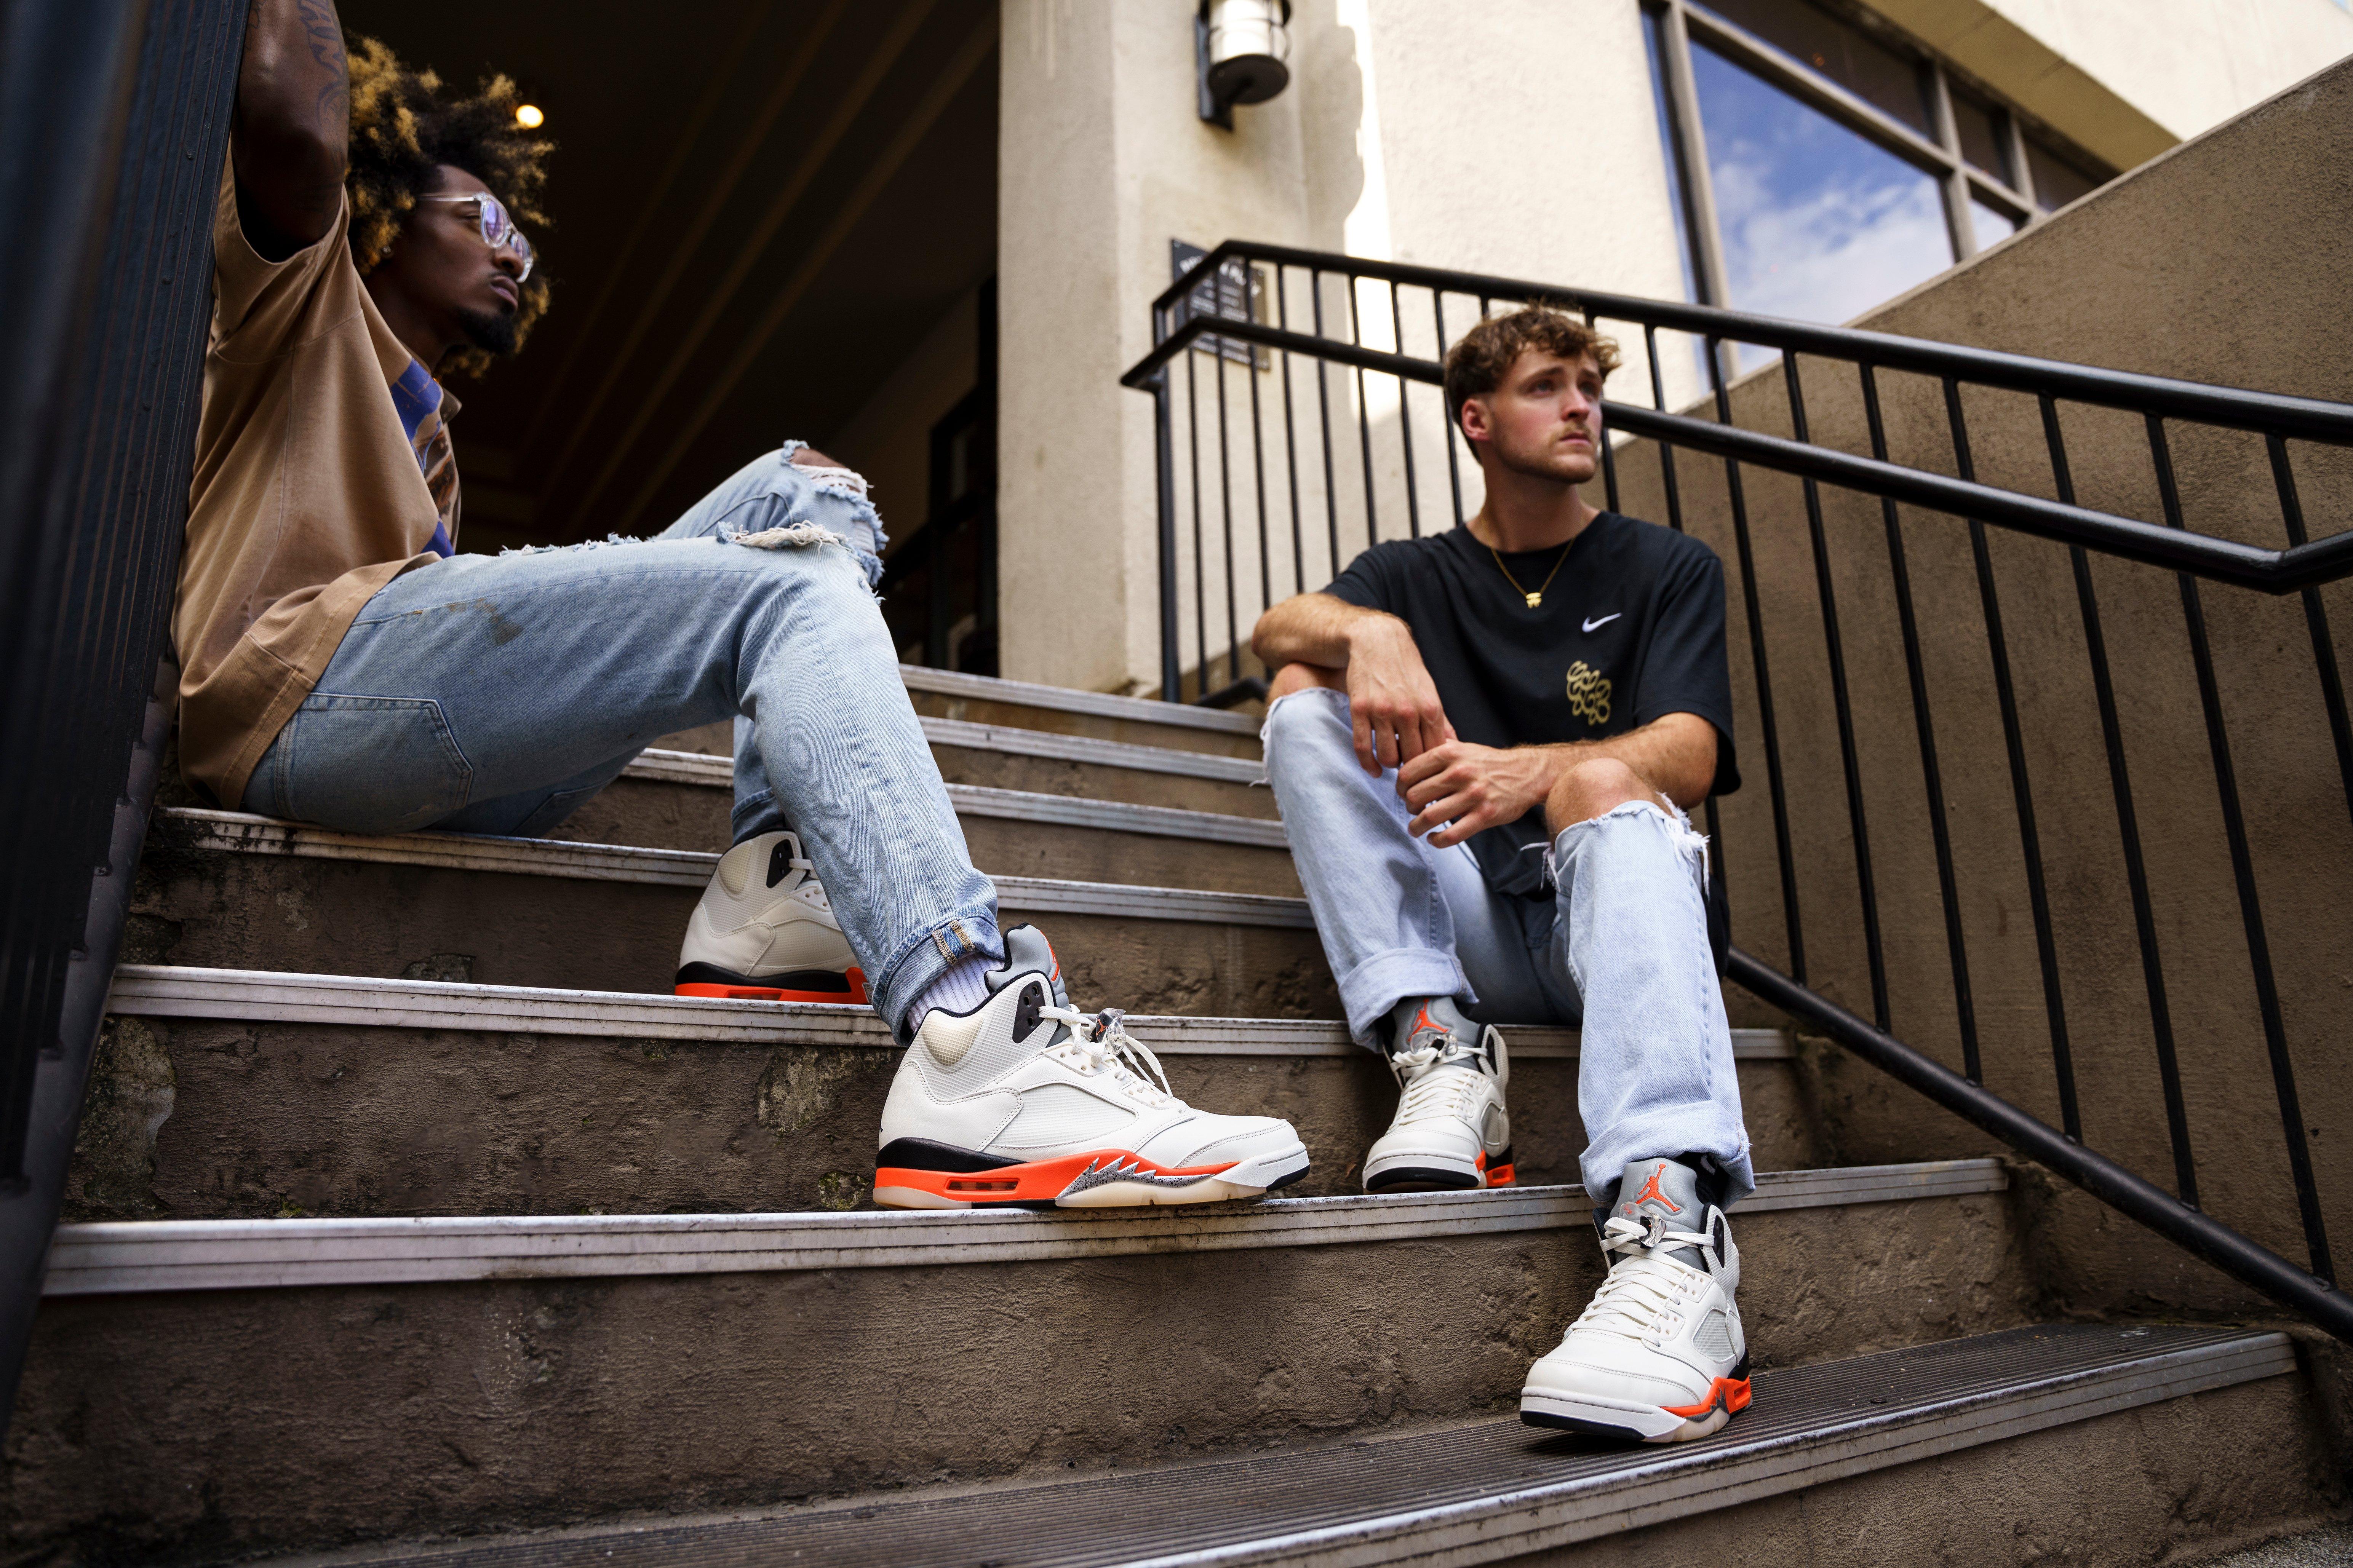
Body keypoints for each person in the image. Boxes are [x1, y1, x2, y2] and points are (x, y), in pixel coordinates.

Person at [179, 0, 1309, 1209]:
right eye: (483, 221)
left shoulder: (433, 447)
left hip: (429, 751)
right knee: (787, 588)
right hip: (289, 705)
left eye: (518, 232)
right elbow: (294, 124)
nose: (515, 254)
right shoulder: (293, 295)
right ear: (388, 217)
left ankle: (774, 877)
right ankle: (970, 1038)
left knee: (805, 490)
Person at [1250, 307, 1754, 1442]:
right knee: (1297, 687)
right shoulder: (1411, 574)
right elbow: (1274, 628)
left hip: (1612, 927)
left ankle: (1674, 1230)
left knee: (1599, 786)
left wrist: (1540, 771)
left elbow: (1695, 753)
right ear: (1476, 420)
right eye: (1547, 386)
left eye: (1589, 385)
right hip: (1469, 925)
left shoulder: (1665, 563)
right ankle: (1436, 1043)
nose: (1582, 405)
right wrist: (1365, 631)